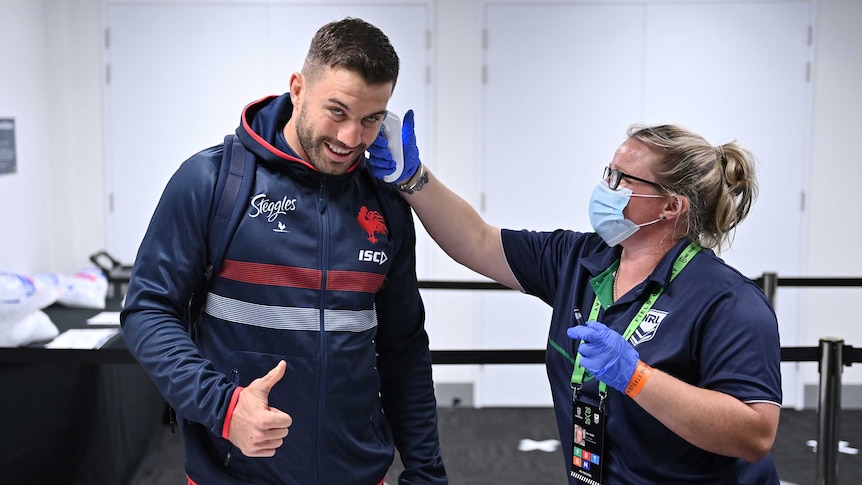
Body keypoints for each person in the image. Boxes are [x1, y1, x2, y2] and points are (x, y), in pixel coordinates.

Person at [120, 18, 447, 485]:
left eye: (371, 119)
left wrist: (427, 472)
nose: (351, 138)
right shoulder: (212, 182)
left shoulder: (386, 204)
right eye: (337, 111)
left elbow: (404, 348)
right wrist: (224, 407)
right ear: (298, 89)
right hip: (235, 472)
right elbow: (148, 311)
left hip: (357, 472)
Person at [367, 121, 782, 484]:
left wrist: (638, 378)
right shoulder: (580, 258)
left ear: (672, 206)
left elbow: (754, 435)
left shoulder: (728, 301)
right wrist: (413, 178)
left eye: (624, 180)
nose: (607, 188)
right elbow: (477, 241)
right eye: (609, 173)